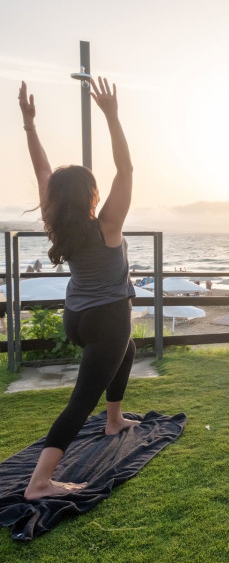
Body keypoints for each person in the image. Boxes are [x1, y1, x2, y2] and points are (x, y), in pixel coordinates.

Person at [18, 77, 139, 500]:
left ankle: (114, 419)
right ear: (91, 194)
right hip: (108, 318)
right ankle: (39, 482)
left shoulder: (56, 222)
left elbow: (41, 170)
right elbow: (126, 170)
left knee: (128, 351)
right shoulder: (107, 226)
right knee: (79, 402)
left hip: (77, 317)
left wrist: (30, 124)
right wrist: (112, 116)